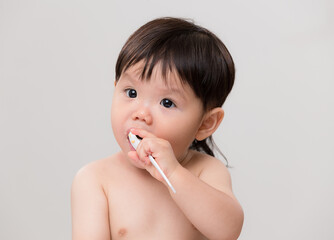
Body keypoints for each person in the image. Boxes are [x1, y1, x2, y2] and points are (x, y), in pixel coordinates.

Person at [71, 17, 244, 240]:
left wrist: (172, 172)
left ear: (205, 124)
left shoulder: (206, 172)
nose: (141, 114)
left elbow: (227, 231)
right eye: (131, 93)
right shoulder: (95, 179)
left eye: (167, 103)